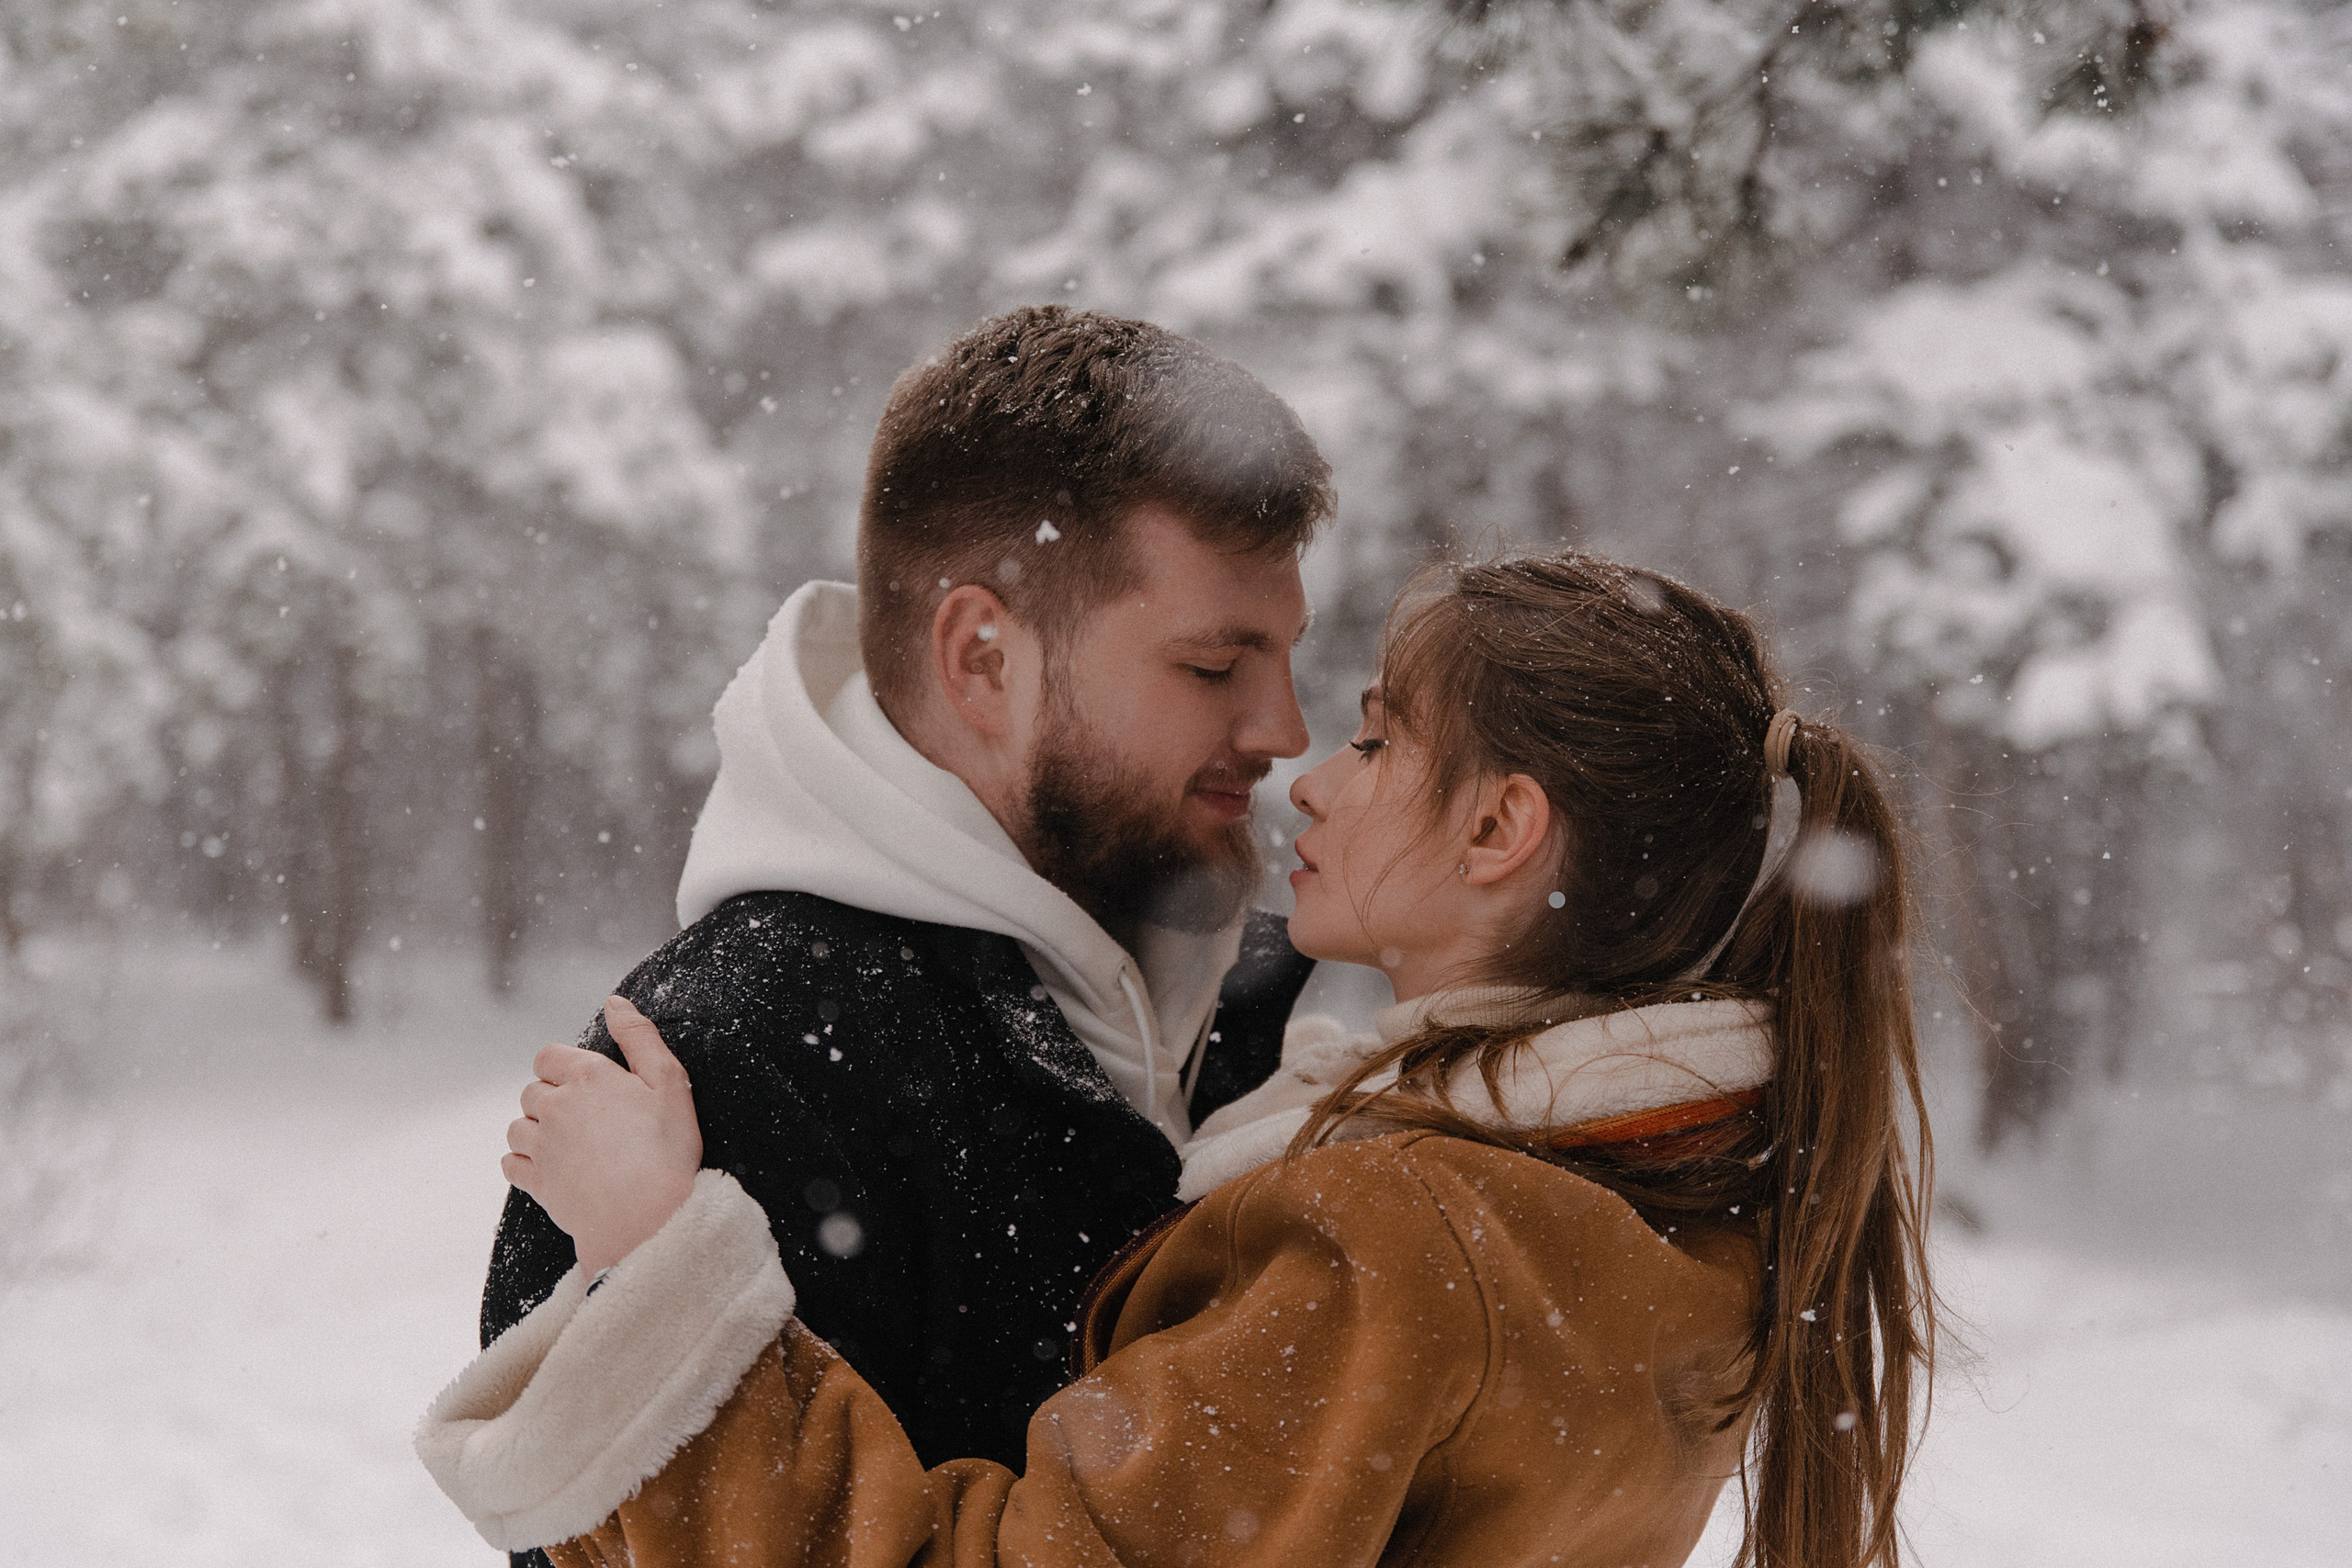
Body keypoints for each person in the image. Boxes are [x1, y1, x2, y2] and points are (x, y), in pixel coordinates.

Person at [425, 552, 1938, 1568]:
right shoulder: (1672, 1204)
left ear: (1499, 829)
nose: (1311, 778)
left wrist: (663, 1272)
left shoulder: (1403, 1244)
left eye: (1377, 739)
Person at [476, 303, 1336, 1518]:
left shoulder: (1250, 1002)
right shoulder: (723, 1067)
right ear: (984, 658)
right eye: (1213, 665)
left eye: (1288, 656)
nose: (1283, 731)